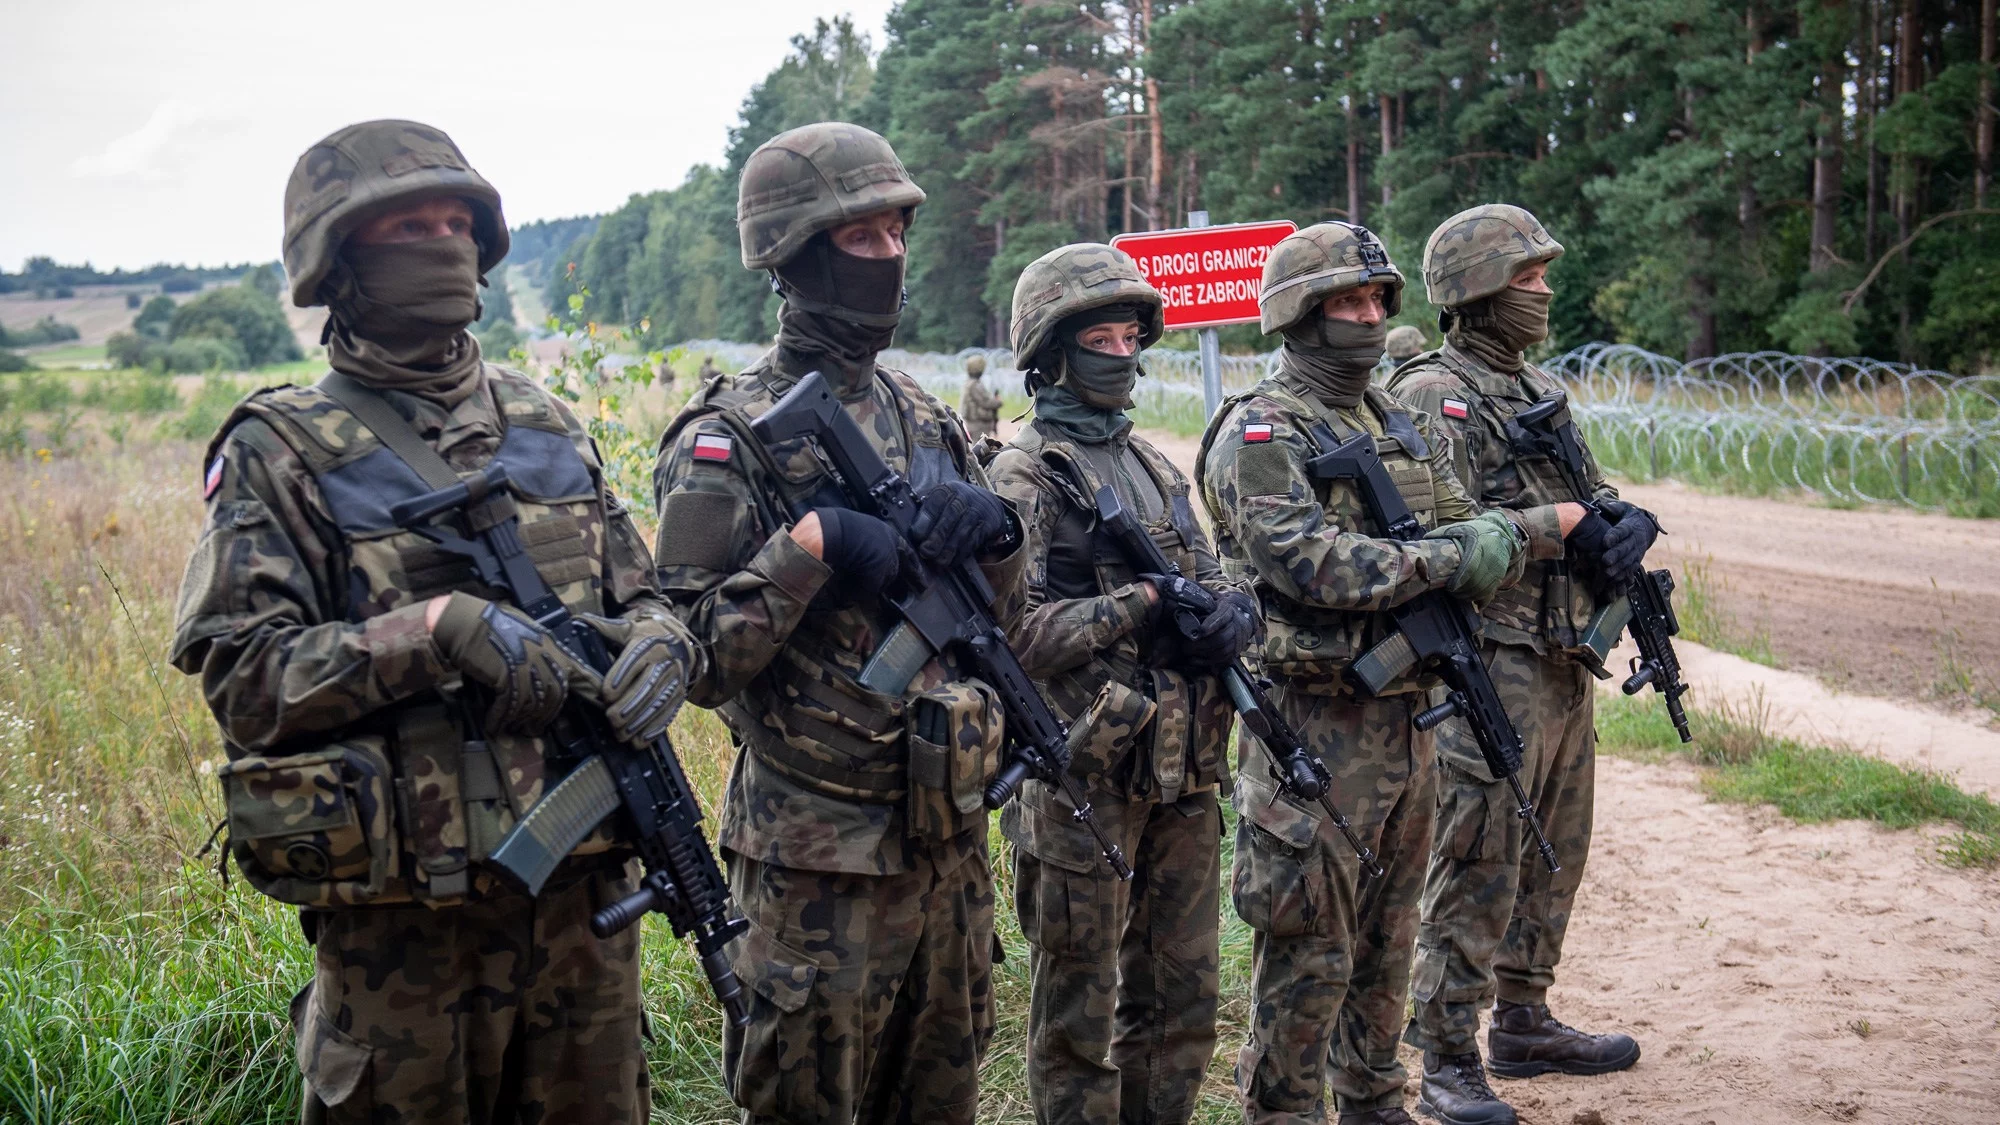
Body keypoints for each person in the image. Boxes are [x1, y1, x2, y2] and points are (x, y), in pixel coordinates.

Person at [170, 120, 699, 1124]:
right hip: (404, 938)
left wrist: (666, 642)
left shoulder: (545, 424)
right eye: (411, 224)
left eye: (459, 221)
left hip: (585, 918)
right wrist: (432, 631)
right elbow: (243, 679)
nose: (445, 243)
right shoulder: (277, 450)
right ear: (340, 263)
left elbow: (646, 597)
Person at [650, 121, 1024, 1125]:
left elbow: (1003, 623)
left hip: (945, 842)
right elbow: (689, 655)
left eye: (897, 234)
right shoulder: (728, 439)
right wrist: (811, 545)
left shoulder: (925, 416)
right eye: (862, 239)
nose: (890, 258)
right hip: (817, 859)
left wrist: (999, 530)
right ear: (795, 252)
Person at [1195, 221, 1529, 1125]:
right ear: (1300, 315)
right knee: (1309, 953)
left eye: (1380, 299)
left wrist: (1485, 543)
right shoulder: (1261, 430)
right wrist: (1441, 563)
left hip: (1407, 722)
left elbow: (1472, 520)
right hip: (1314, 729)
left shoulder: (1393, 418)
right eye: (1349, 301)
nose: (1371, 316)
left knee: (1387, 944)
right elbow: (1310, 563)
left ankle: (1375, 1102)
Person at [1386, 204, 1654, 1125]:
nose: (1543, 291)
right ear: (1480, 290)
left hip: (1559, 647)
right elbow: (1435, 531)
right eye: (1527, 277)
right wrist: (1559, 532)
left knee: (1556, 847)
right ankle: (1448, 1052)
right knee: (1478, 850)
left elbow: (1576, 487)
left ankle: (1526, 1017)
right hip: (1485, 653)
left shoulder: (1537, 384)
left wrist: (1620, 519)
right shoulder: (1432, 390)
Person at [985, 243, 1251, 1125]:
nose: (1120, 351)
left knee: (1182, 996)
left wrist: (1228, 615)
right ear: (1051, 353)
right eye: (1098, 334)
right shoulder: (1024, 475)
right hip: (1082, 777)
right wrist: (1136, 602)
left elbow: (1211, 572)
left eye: (1130, 333)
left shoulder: (1151, 464)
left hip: (1181, 770)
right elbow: (1007, 636)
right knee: (1082, 1014)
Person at [961, 353, 1002, 440]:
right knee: (979, 449)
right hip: (978, 423)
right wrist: (998, 402)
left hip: (973, 422)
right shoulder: (975, 385)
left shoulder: (969, 383)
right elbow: (985, 402)